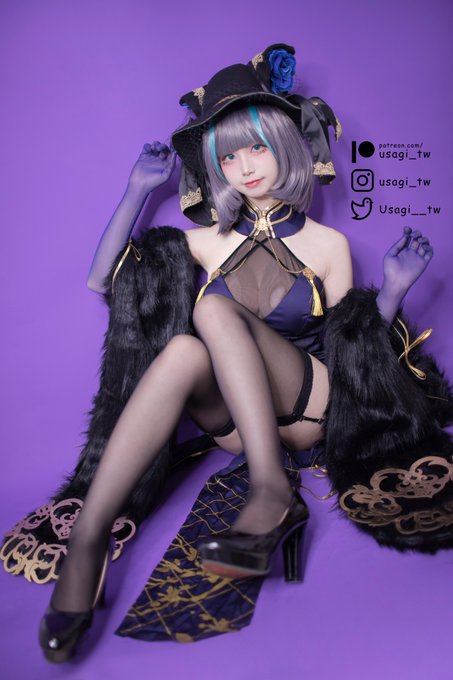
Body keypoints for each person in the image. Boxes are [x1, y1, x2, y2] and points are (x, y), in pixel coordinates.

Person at [34, 43, 448, 661]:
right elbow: (103, 281)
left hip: (309, 410)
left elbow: (352, 352)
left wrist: (391, 290)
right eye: (228, 156)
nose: (245, 167)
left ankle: (270, 489)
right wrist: (138, 190)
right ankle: (89, 537)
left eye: (256, 147)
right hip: (234, 426)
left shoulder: (328, 245)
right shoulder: (206, 242)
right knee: (183, 349)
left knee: (209, 311)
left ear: (285, 145)